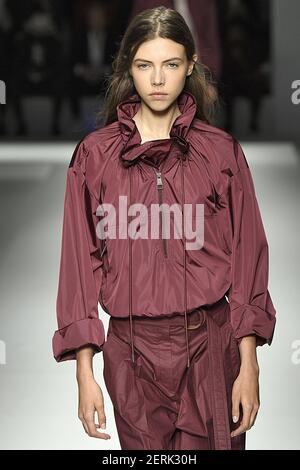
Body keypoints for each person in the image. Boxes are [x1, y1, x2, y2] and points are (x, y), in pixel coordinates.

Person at [52, 6, 276, 450]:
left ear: (190, 65)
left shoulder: (220, 154)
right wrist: (84, 373)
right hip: (131, 353)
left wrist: (249, 366)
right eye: (144, 65)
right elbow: (79, 266)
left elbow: (248, 257)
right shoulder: (94, 158)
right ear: (128, 68)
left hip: (209, 347)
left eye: (171, 64)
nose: (157, 80)